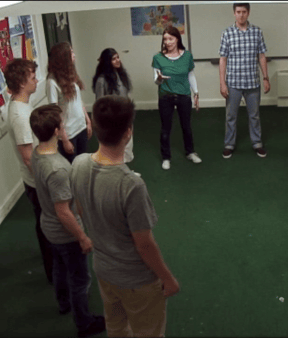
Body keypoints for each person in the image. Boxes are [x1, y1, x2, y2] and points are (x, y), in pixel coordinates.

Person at [70, 95, 180, 337]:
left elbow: (79, 209)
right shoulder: (131, 185)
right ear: (128, 132)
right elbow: (144, 245)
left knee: (117, 328)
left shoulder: (78, 164)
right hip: (136, 280)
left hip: (104, 270)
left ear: (96, 127)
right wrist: (167, 278)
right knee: (148, 332)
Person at [29, 104, 105, 338]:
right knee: (80, 279)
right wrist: (82, 237)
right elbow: (63, 211)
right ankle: (84, 322)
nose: (64, 127)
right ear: (56, 131)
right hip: (65, 234)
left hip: (48, 228)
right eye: (61, 125)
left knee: (60, 269)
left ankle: (63, 303)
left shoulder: (36, 153)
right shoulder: (58, 169)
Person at [3, 58, 54, 284]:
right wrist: (46, 184)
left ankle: (51, 262)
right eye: (33, 78)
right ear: (23, 83)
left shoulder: (21, 106)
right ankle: (53, 270)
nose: (36, 81)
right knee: (46, 225)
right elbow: (27, 157)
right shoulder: (20, 116)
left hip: (36, 182)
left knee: (44, 223)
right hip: (37, 184)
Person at [219, 2, 271, 159]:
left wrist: (266, 78)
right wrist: (222, 83)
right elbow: (223, 59)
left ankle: (257, 143)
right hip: (233, 83)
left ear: (248, 13)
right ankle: (229, 144)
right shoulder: (227, 33)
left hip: (252, 83)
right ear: (234, 13)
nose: (241, 15)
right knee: (231, 116)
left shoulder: (257, 32)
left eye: (244, 12)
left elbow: (261, 56)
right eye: (238, 11)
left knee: (254, 115)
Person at [152, 27, 202, 170]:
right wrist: (159, 79)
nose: (167, 42)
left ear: (177, 39)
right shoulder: (158, 57)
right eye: (165, 39)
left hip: (184, 96)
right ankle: (166, 157)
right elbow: (156, 80)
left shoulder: (187, 56)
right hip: (165, 96)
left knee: (186, 126)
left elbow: (190, 75)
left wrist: (196, 93)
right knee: (166, 128)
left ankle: (190, 152)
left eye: (170, 39)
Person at [47, 41, 92, 164]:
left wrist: (87, 121)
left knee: (83, 164)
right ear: (63, 57)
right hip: (69, 133)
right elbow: (54, 113)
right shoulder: (52, 82)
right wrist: (65, 139)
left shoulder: (70, 73)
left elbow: (78, 101)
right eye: (71, 52)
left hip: (81, 127)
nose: (74, 55)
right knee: (73, 168)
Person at [93, 48, 135, 164]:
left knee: (127, 147)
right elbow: (99, 104)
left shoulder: (120, 75)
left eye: (118, 57)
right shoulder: (101, 80)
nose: (117, 61)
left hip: (125, 117)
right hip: (112, 121)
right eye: (113, 59)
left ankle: (125, 170)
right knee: (115, 150)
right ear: (107, 62)